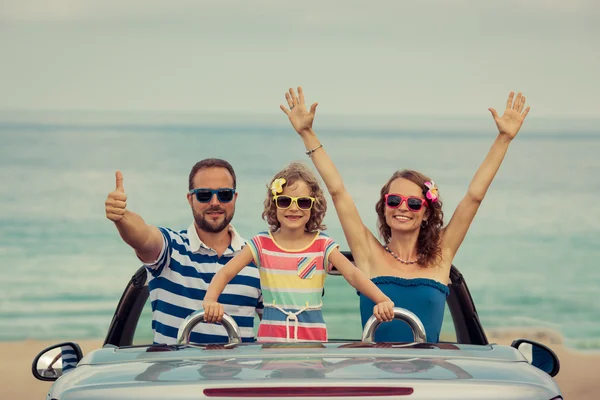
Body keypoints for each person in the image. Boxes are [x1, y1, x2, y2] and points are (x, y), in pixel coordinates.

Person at [281, 87, 530, 343]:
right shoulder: (367, 253)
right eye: (394, 200)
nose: (402, 207)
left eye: (413, 203)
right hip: (376, 376)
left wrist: (504, 139)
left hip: (426, 378)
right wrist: (307, 134)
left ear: (426, 213)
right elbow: (338, 192)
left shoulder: (441, 254)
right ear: (384, 207)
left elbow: (474, 197)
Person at [202, 162, 395, 342]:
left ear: (313, 206)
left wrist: (382, 299)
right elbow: (226, 272)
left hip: (312, 340)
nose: (293, 208)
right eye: (285, 201)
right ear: (274, 203)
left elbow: (353, 274)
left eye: (303, 202)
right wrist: (211, 300)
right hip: (272, 342)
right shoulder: (261, 243)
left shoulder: (322, 244)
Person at [105, 158, 263, 344]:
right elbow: (144, 238)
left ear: (234, 198)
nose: (215, 202)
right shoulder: (171, 249)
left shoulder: (255, 258)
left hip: (238, 373)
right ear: (190, 199)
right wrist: (122, 217)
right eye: (204, 195)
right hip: (173, 373)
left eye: (224, 194)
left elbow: (276, 324)